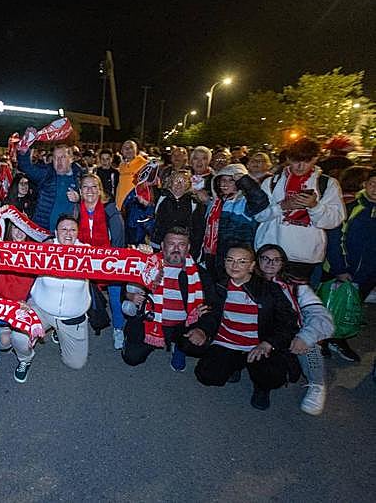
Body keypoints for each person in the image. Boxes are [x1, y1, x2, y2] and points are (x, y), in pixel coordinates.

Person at [193, 244, 297, 411]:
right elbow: (211, 314)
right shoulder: (219, 287)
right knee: (207, 375)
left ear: (252, 265)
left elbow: (289, 322)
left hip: (258, 344)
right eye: (230, 260)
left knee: (272, 375)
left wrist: (268, 343)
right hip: (227, 341)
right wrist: (201, 327)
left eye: (242, 261)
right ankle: (236, 364)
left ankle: (261, 388)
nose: (234, 266)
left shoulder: (270, 289)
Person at [10, 216, 91, 381]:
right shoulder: (43, 249)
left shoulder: (89, 253)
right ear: (56, 232)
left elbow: (120, 261)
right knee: (18, 335)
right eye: (63, 229)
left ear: (77, 233)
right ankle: (25, 359)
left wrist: (142, 255)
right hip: (41, 309)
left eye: (72, 230)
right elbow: (14, 254)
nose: (68, 233)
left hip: (71, 317)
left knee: (76, 364)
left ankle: (59, 332)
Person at [254, 138, 346, 282]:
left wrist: (314, 206)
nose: (301, 166)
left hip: (305, 256)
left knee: (298, 300)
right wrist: (283, 207)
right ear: (288, 158)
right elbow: (258, 215)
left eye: (307, 161)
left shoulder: (327, 184)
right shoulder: (271, 182)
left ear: (316, 158)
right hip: (270, 252)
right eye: (296, 160)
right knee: (266, 297)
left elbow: (334, 221)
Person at [256, 244, 333, 415]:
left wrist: (306, 336)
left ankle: (317, 385)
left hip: (287, 334)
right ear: (257, 260)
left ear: (283, 263)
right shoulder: (249, 280)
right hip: (256, 332)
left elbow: (321, 317)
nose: (270, 264)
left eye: (276, 260)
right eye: (265, 258)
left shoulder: (296, 286)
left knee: (309, 345)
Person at [121, 227, 212, 370]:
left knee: (198, 346)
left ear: (188, 247)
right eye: (171, 244)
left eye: (181, 245)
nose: (176, 249)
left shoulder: (200, 274)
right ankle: (152, 340)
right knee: (132, 357)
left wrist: (203, 329)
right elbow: (124, 289)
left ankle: (179, 347)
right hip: (150, 320)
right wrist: (129, 296)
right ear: (163, 246)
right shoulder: (148, 264)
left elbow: (212, 305)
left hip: (182, 324)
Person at [322, 167, 376, 362]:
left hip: (368, 275)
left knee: (349, 309)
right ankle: (321, 342)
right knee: (328, 308)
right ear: (365, 184)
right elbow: (335, 237)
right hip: (342, 271)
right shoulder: (350, 206)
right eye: (372, 184)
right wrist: (340, 269)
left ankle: (337, 340)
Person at [77, 174, 126, 349]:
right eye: (85, 187)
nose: (90, 191)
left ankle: (118, 328)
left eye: (94, 187)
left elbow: (118, 240)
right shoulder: (75, 209)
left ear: (100, 190)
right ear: (80, 191)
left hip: (108, 261)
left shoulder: (110, 210)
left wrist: (112, 262)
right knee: (77, 294)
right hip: (85, 261)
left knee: (114, 297)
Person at [0, 222, 37, 369]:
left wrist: (29, 303)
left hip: (22, 306)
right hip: (1, 305)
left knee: (22, 340)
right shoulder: (0, 249)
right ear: (10, 230)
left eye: (23, 230)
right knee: (5, 342)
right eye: (15, 229)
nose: (19, 233)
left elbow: (38, 286)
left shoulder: (35, 255)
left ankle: (24, 357)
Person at [202, 163, 269, 279]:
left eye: (231, 180)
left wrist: (245, 181)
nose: (225, 184)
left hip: (237, 258)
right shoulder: (215, 203)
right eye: (222, 180)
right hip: (213, 255)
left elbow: (260, 200)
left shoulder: (245, 203)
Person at [17, 143, 83, 231]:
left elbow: (93, 199)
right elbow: (27, 167)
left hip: (69, 233)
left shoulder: (80, 176)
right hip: (44, 231)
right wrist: (24, 152)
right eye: (55, 158)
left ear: (71, 159)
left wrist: (79, 197)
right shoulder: (47, 173)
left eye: (62, 157)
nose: (58, 161)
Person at [151, 168, 205, 259]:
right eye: (176, 180)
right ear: (170, 182)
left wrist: (194, 250)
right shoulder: (159, 197)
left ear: (188, 184)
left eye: (183, 181)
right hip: (158, 244)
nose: (179, 184)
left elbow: (198, 228)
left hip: (182, 246)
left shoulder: (194, 203)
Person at [115, 140, 148, 209]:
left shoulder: (145, 164)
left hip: (136, 206)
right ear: (121, 151)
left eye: (131, 147)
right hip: (121, 205)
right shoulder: (121, 165)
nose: (128, 149)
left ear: (136, 149)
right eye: (125, 148)